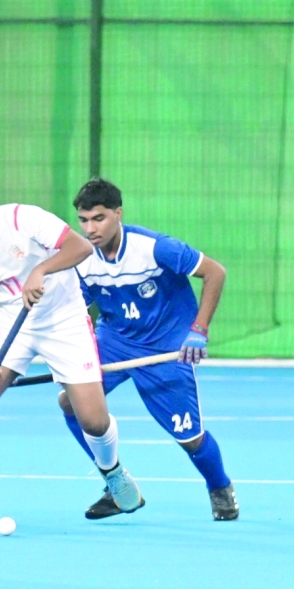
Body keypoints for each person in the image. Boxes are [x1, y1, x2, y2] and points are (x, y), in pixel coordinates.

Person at [0, 192, 144, 529]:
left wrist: (40, 270)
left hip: (62, 317)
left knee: (92, 420)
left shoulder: (21, 219)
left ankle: (112, 470)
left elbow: (79, 247)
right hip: (7, 324)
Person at [64, 178, 238, 521]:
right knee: (70, 403)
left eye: (98, 218)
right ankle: (116, 484)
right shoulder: (82, 258)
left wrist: (198, 330)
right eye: (83, 220)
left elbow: (215, 272)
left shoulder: (155, 247)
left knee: (188, 437)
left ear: (118, 214)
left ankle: (219, 485)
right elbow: (76, 308)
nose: (90, 228)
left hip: (166, 343)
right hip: (115, 340)